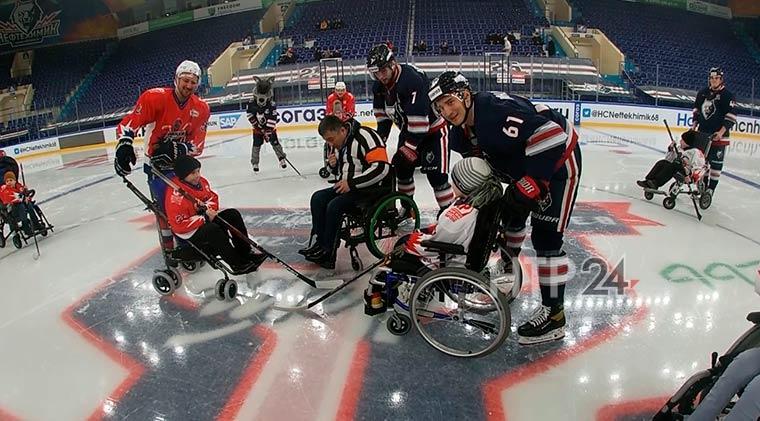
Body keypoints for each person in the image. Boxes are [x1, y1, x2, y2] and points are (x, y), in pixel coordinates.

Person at [429, 71, 582, 345]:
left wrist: (532, 183)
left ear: (465, 95)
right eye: (440, 107)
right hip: (524, 162)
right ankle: (509, 265)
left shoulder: (493, 113)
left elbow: (551, 134)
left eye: (449, 102)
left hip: (558, 162)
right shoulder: (460, 132)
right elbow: (484, 166)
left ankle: (554, 314)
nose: (446, 111)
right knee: (509, 213)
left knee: (546, 238)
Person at [114, 60, 210, 263]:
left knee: (191, 206)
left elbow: (198, 146)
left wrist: (179, 148)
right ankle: (170, 252)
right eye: (185, 80)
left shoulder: (201, 109)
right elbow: (130, 123)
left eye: (193, 82)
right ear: (176, 79)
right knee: (166, 212)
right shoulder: (154, 98)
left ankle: (189, 247)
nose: (188, 85)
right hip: (157, 167)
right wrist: (124, 145)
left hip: (183, 167)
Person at [367, 43, 454, 216]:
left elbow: (420, 125)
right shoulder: (378, 87)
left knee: (436, 177)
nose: (380, 76)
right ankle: (408, 209)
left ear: (393, 63)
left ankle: (448, 213)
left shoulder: (411, 79)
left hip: (433, 133)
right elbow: (383, 120)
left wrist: (408, 148)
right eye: (376, 72)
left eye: (383, 70)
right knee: (401, 170)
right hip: (409, 131)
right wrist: (376, 145)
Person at [299, 115, 392, 269]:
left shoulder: (366, 137)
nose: (330, 144)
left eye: (331, 139)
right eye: (327, 141)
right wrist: (333, 166)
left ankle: (328, 253)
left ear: (342, 130)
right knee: (318, 198)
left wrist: (352, 183)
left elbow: (382, 169)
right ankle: (320, 244)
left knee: (335, 206)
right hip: (349, 186)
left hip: (370, 189)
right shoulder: (341, 141)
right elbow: (343, 170)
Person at [165, 156, 266, 273]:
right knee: (213, 230)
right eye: (193, 173)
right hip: (189, 230)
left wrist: (207, 209)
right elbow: (179, 225)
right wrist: (203, 217)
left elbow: (213, 198)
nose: (197, 175)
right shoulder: (176, 197)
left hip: (204, 217)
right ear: (183, 175)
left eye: (198, 171)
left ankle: (245, 252)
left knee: (232, 214)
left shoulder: (201, 182)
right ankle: (236, 263)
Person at [691, 67, 736, 197]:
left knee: (715, 165)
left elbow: (731, 117)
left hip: (719, 137)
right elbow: (697, 111)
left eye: (716, 78)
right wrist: (694, 126)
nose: (713, 80)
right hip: (702, 134)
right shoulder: (702, 93)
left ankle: (710, 190)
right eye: (711, 78)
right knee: (701, 163)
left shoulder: (727, 95)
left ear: (721, 79)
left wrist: (721, 132)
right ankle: (702, 187)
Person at [637, 130, 708, 190]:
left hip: (687, 172)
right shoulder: (679, 149)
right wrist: (670, 149)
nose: (680, 141)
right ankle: (649, 180)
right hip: (677, 167)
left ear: (687, 142)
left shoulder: (695, 152)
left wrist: (692, 176)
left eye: (682, 140)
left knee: (674, 165)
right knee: (662, 162)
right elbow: (668, 159)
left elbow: (700, 165)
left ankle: (656, 183)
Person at [246, 76, 287, 173]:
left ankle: (281, 158)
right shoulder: (251, 103)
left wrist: (268, 130)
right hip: (257, 129)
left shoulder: (271, 105)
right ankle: (255, 162)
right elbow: (249, 115)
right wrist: (257, 126)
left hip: (269, 129)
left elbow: (273, 118)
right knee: (256, 145)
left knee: (275, 143)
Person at [0, 171, 40, 237]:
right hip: (12, 209)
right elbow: (10, 198)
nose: (9, 182)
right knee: (21, 206)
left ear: (15, 181)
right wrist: (23, 198)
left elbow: (25, 195)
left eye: (11, 180)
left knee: (30, 205)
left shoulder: (19, 187)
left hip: (22, 206)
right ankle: (25, 226)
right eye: (7, 181)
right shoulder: (4, 190)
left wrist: (27, 195)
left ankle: (36, 223)